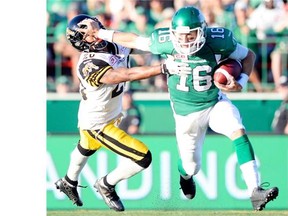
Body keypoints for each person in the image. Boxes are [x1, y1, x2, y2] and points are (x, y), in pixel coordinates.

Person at [78, 6, 279, 211]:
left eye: (190, 35)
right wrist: (100, 32)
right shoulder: (165, 41)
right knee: (192, 166)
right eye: (180, 36)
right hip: (185, 113)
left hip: (214, 102)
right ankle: (184, 175)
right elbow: (133, 40)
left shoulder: (219, 39)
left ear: (202, 31)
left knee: (238, 131)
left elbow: (249, 55)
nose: (185, 40)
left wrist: (242, 82)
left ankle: (254, 191)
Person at [54, 14, 191, 212]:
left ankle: (68, 181)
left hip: (100, 114)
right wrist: (162, 67)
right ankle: (106, 184)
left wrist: (169, 47)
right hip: (98, 125)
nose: (95, 31)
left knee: (85, 148)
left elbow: (139, 42)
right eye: (89, 33)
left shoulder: (109, 44)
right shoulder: (88, 64)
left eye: (97, 27)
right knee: (143, 158)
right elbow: (123, 75)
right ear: (81, 42)